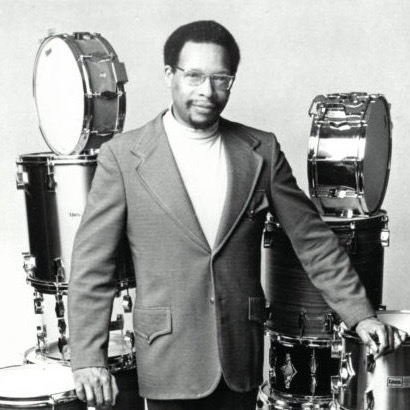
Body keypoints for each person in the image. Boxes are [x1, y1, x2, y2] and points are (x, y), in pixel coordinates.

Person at [68, 20, 407, 410]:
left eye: (221, 79)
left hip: (240, 357)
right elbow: (93, 264)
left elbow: (313, 241)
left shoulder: (261, 150)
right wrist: (88, 358)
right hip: (167, 358)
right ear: (169, 75)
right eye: (194, 76)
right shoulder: (122, 157)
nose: (207, 91)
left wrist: (360, 316)